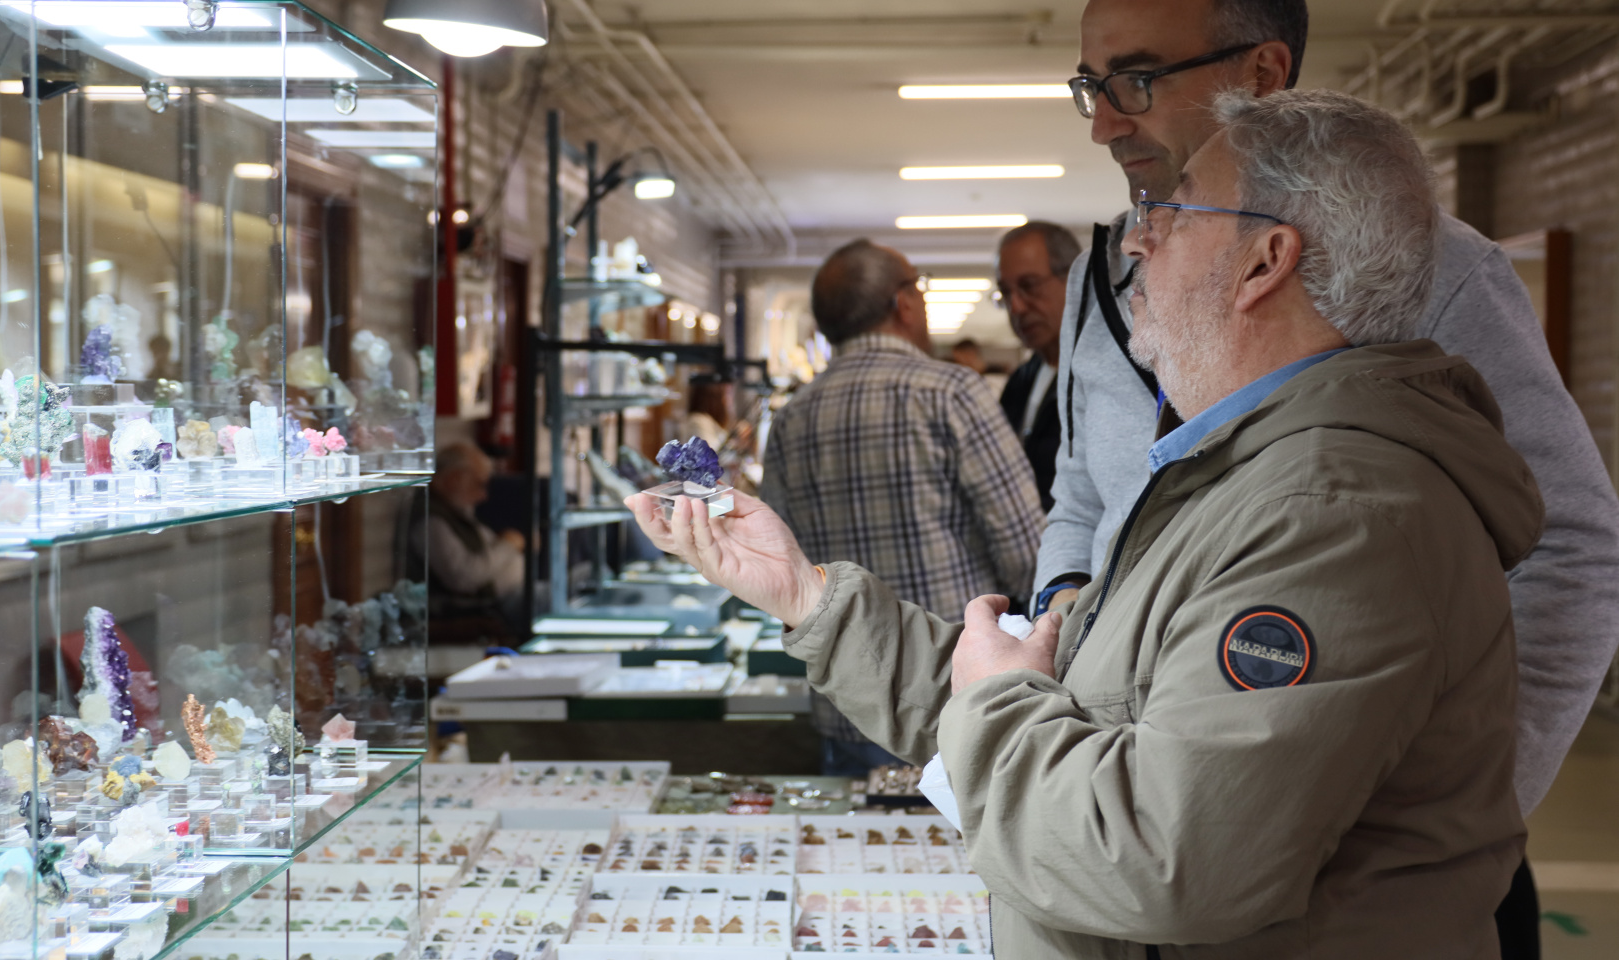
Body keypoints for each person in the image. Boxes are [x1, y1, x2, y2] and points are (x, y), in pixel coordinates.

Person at [629, 88, 1541, 959]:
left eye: (1173, 215)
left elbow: (1163, 859)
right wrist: (804, 594)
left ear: (1266, 261)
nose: (1136, 244)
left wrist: (998, 701)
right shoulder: (1235, 475)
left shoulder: (1332, 516)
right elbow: (1070, 706)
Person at [1040, 3, 1619, 951]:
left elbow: (1573, 545)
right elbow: (1084, 501)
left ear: (1263, 73)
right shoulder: (1098, 283)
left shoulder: (1431, 264)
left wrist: (1441, 823)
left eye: (1135, 81)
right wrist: (1069, 627)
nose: (1105, 122)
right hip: (1142, 821)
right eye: (1090, 88)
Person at [759, 239, 1043, 776]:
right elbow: (1024, 548)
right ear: (903, 303)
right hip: (952, 693)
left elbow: (781, 564)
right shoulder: (952, 391)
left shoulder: (793, 417)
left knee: (868, 856)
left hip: (845, 698)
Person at [995, 222, 1082, 509]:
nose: (1016, 307)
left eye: (1029, 286)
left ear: (1073, 277)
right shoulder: (1021, 379)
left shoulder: (1104, 376)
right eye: (1006, 293)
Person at [417, 443, 525, 615]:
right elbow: (464, 577)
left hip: (516, 593)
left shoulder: (458, 512)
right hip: (494, 607)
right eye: (479, 484)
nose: (484, 495)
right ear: (453, 480)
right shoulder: (433, 522)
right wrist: (508, 545)